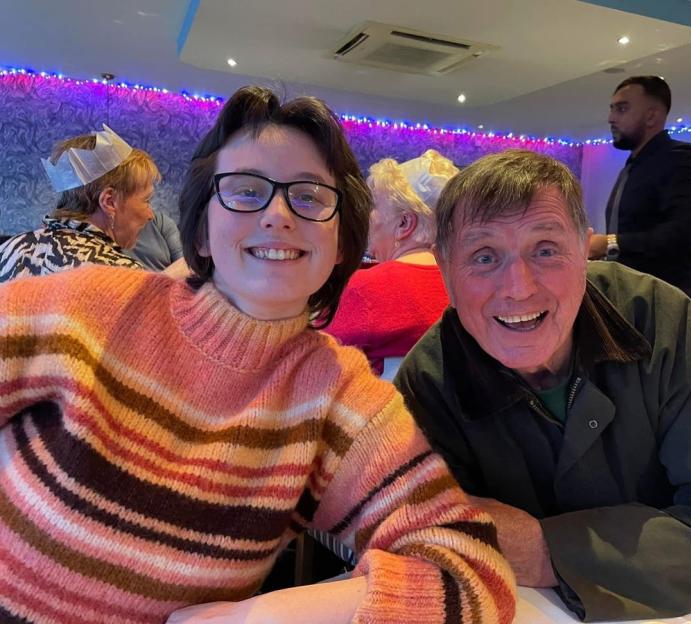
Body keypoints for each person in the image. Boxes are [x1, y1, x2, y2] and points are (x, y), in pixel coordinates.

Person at [0, 86, 515, 624]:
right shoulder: (87, 307)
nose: (277, 214)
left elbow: (471, 573)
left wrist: (257, 616)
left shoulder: (337, 398)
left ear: (343, 243)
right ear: (200, 231)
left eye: (311, 196)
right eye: (245, 191)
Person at [394, 149, 691, 622]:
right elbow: (417, 539)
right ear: (445, 268)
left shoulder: (661, 324)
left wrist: (549, 552)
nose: (519, 287)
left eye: (545, 249)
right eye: (484, 257)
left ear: (585, 252)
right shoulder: (428, 383)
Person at [588, 76, 691, 310]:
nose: (611, 118)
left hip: (672, 309)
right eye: (612, 109)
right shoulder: (633, 166)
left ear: (651, 115)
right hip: (633, 301)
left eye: (622, 109)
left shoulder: (684, 160)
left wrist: (608, 243)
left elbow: (686, 234)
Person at [326, 150, 457, 377]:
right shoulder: (472, 289)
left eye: (374, 207)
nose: (368, 218)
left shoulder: (362, 290)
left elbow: (313, 366)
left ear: (404, 223)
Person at [0, 125, 158, 282]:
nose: (150, 215)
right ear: (109, 202)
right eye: (146, 200)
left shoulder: (9, 250)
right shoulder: (121, 275)